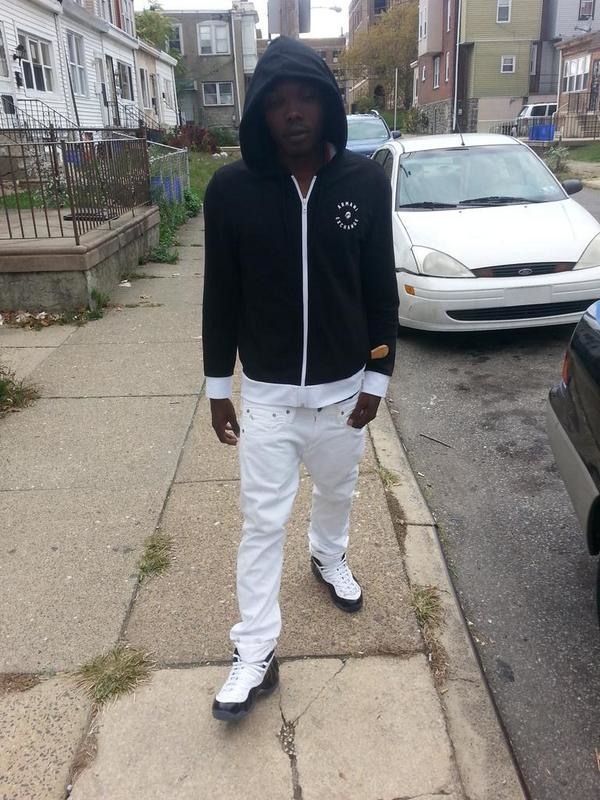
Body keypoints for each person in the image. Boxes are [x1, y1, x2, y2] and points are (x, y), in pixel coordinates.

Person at [202, 36, 399, 722]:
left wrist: (379, 374)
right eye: (278, 101)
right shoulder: (231, 191)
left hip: (344, 394)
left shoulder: (364, 183)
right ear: (260, 111)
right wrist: (217, 388)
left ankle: (327, 556)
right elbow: (220, 297)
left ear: (326, 105)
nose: (293, 113)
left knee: (338, 491)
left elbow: (379, 286)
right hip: (269, 401)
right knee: (261, 523)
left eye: (306, 98)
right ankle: (255, 651)